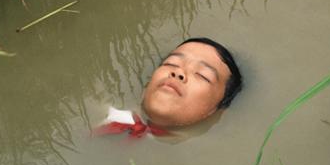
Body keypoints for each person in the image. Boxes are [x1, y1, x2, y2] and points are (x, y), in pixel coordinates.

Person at [96, 37, 243, 137]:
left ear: (219, 112)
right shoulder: (99, 113)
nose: (178, 72)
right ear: (146, 87)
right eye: (171, 64)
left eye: (202, 75)